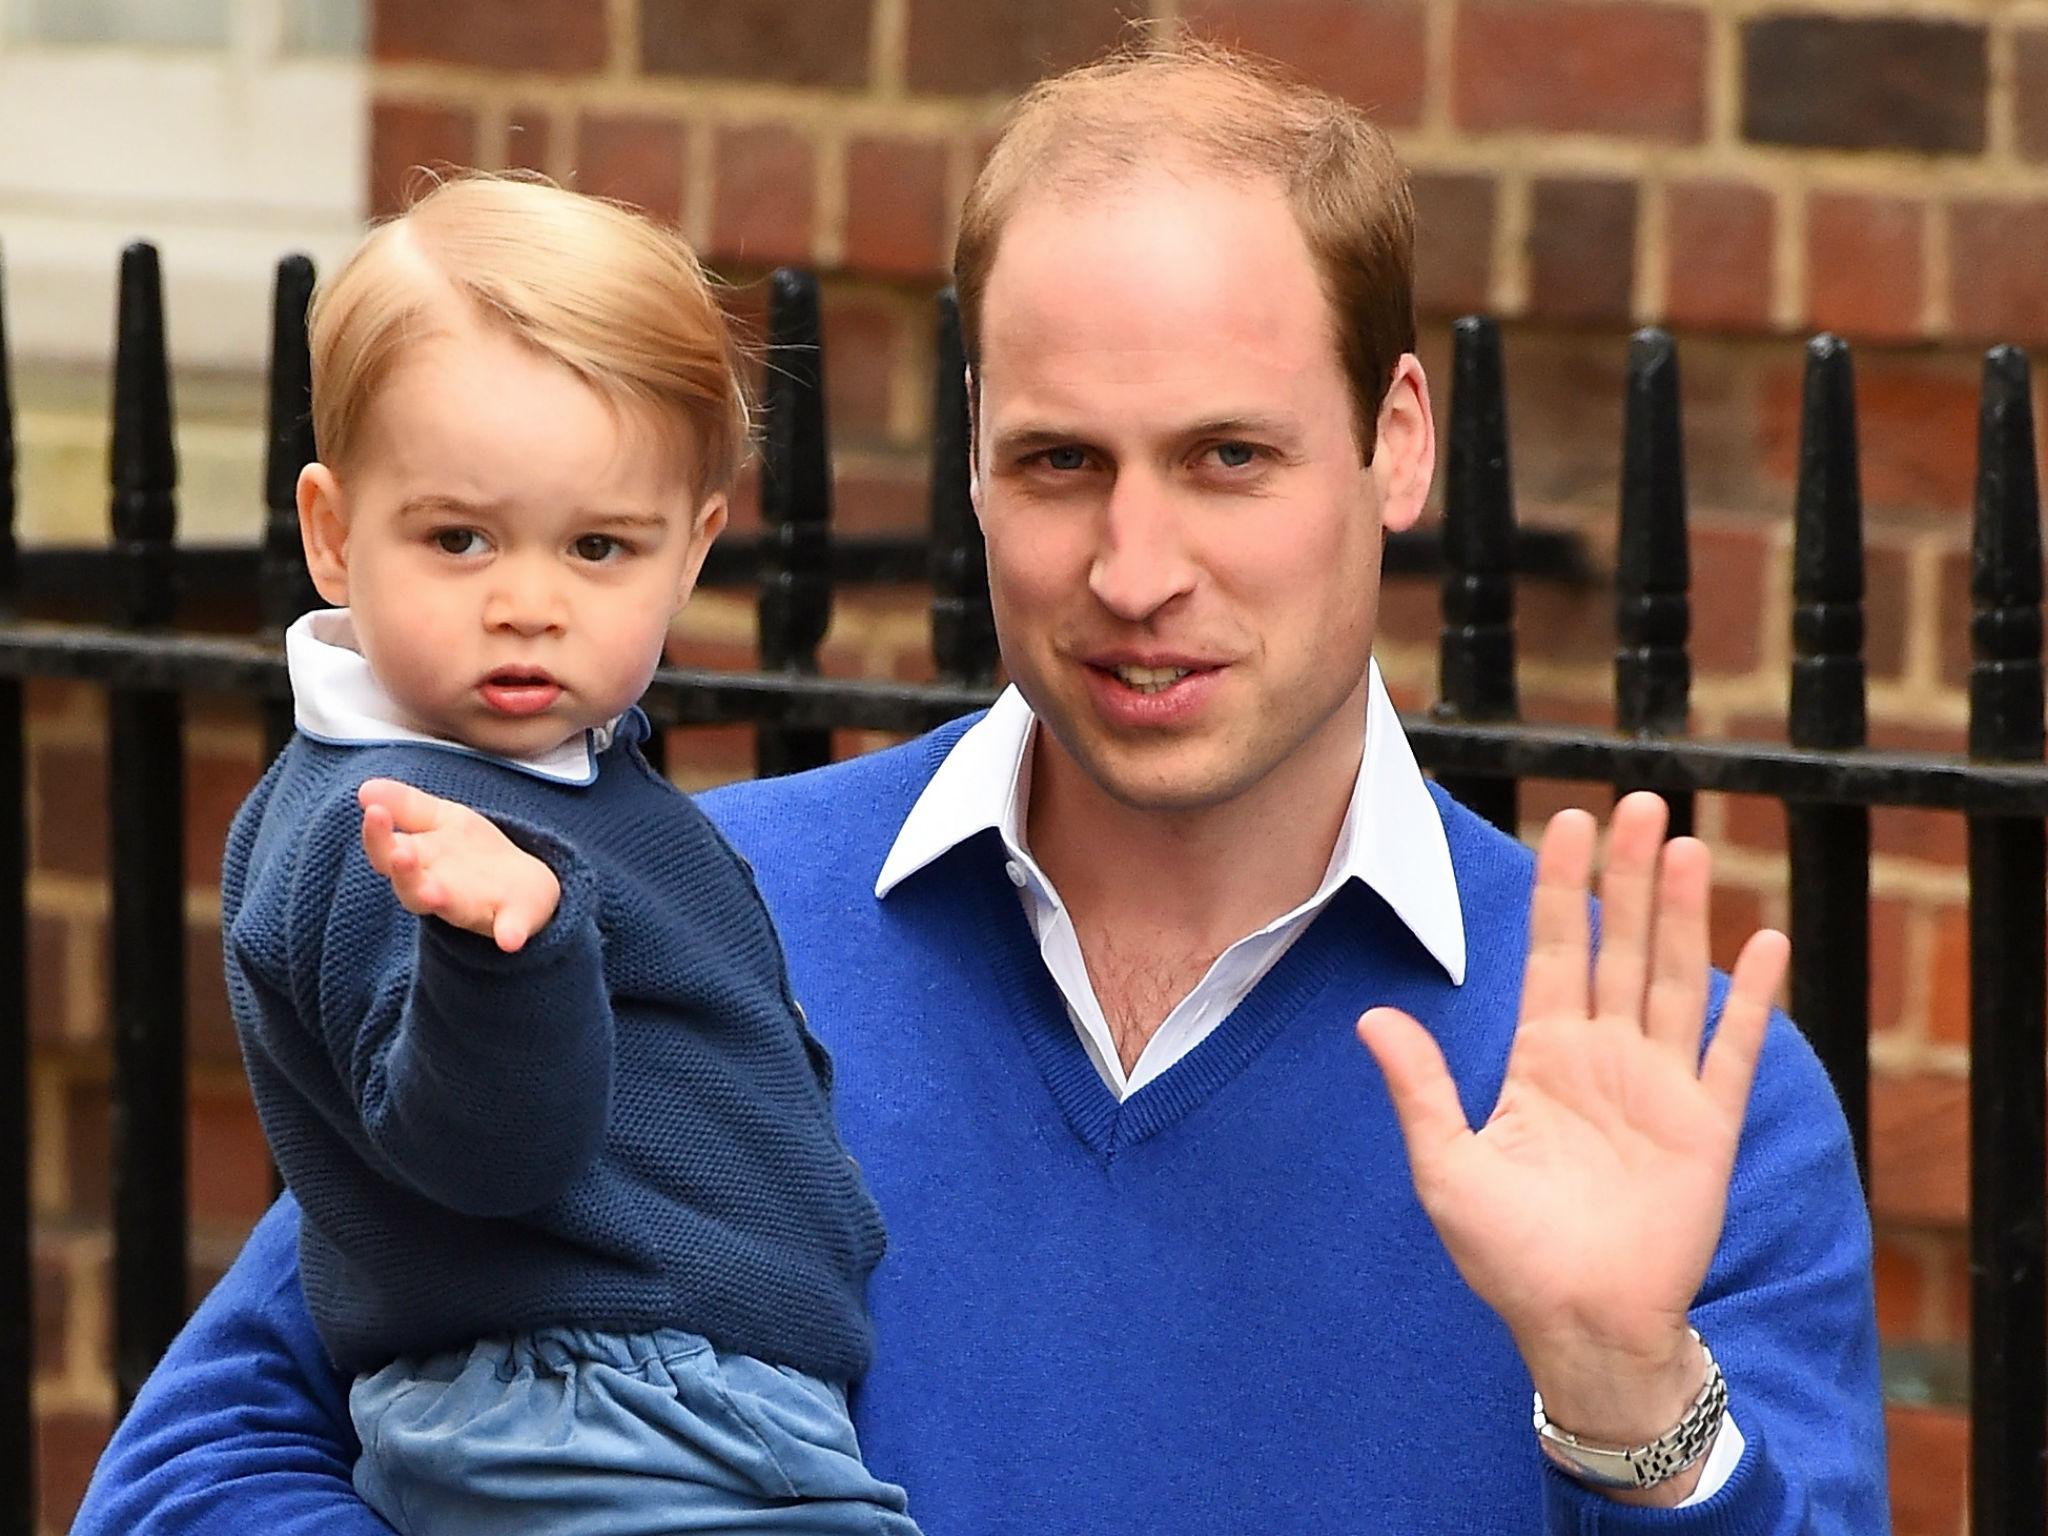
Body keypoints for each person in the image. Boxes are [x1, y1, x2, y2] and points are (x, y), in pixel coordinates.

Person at [75, 38, 1887, 1534]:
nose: (1135, 564)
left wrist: (1632, 1403)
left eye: (1230, 457)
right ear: (972, 461)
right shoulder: (664, 905)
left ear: (1396, 443)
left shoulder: (1666, 1094)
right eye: (1060, 461)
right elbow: (192, 1475)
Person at [198, 173, 918, 1535]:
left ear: (692, 548)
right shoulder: (396, 828)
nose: (527, 603)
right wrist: (492, 954)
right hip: (589, 1402)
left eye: (597, 546)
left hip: (679, 1396)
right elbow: (484, 1156)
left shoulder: (566, 779)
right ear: (336, 533)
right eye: (458, 538)